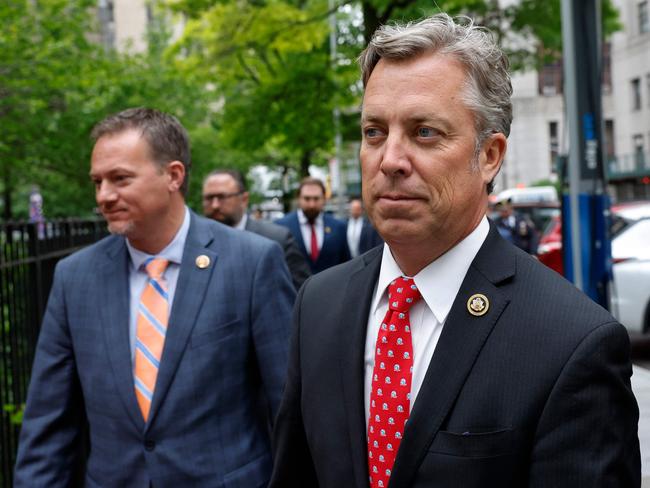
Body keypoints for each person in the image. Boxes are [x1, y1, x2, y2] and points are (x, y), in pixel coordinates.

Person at [270, 14, 640, 488]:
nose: (390, 160)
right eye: (374, 132)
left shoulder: (572, 343)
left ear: (489, 156)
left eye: (424, 132)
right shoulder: (319, 304)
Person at [14, 108, 295, 487]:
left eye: (120, 179)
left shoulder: (251, 262)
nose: (104, 196)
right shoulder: (74, 278)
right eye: (97, 182)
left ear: (173, 176)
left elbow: (289, 410)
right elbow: (48, 428)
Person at [202, 168, 311, 290]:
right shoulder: (196, 241)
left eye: (222, 197)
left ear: (244, 199)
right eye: (209, 198)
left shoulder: (277, 239)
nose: (215, 205)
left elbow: (302, 294)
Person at [275, 177, 350, 274]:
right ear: (298, 198)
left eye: (316, 199)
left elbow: (346, 264)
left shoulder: (339, 227)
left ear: (324, 199)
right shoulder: (281, 226)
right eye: (307, 199)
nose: (312, 205)